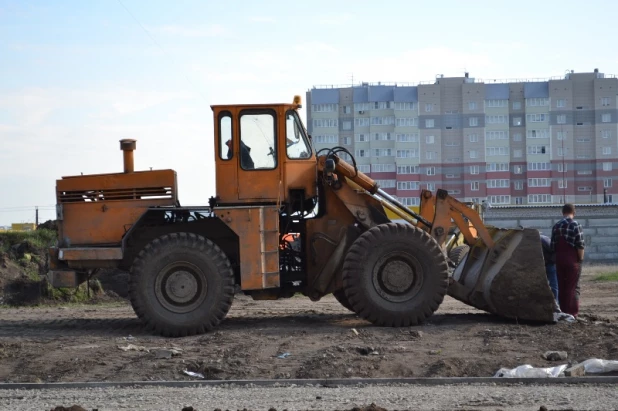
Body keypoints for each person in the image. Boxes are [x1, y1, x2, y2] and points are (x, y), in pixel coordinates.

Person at [550, 203, 585, 317]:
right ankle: (572, 314)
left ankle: (563, 313)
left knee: (561, 286)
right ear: (574, 213)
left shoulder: (556, 226)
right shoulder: (576, 225)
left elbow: (553, 247)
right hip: (572, 261)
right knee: (573, 287)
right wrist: (580, 260)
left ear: (562, 212)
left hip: (559, 261)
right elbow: (580, 246)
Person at [540, 234, 559, 302]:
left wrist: (551, 261)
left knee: (553, 285)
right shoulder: (529, 242)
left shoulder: (543, 240)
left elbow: (554, 250)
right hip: (540, 266)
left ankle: (555, 303)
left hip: (549, 265)